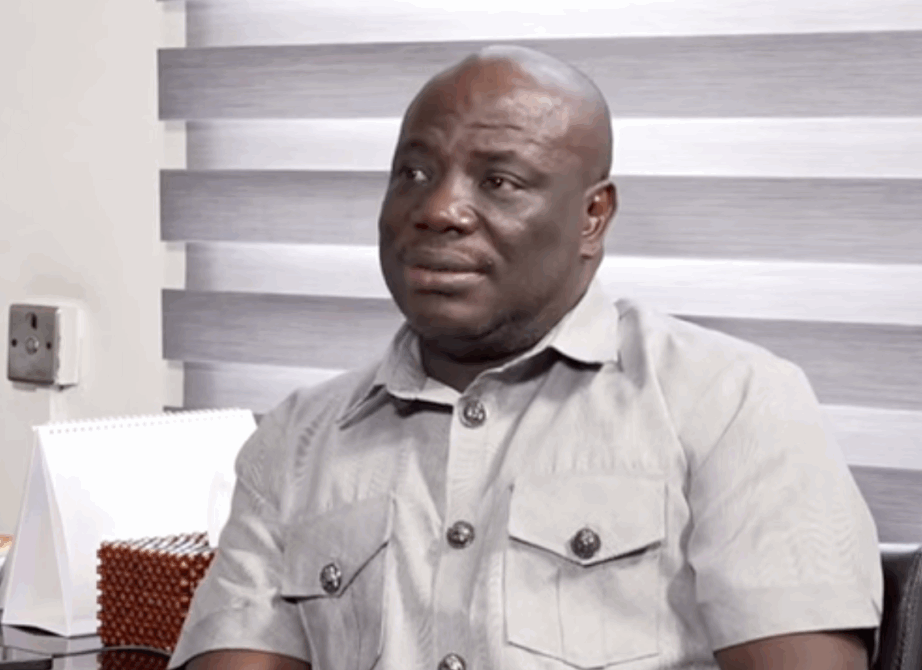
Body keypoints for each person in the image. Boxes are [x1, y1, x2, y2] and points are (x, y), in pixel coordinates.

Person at [170, 45, 882, 670]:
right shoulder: (295, 443)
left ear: (593, 216)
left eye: (499, 181)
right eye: (413, 172)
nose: (438, 209)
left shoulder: (731, 401)